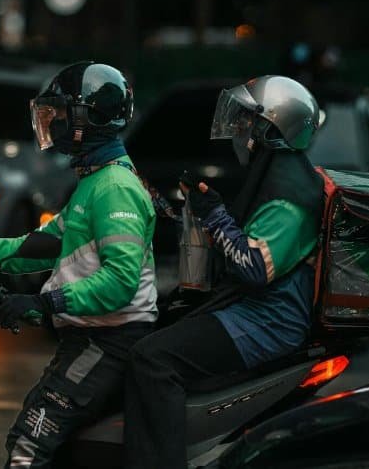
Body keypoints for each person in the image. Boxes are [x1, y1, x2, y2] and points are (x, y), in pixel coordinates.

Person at [0, 62, 157, 469]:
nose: (53, 124)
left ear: (90, 119)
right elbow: (47, 242)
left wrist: (44, 302)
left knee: (28, 446)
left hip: (108, 341)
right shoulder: (95, 181)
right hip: (90, 337)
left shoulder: (115, 189)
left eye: (63, 114)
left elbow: (120, 281)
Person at [124, 75, 325, 469]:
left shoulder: (291, 196)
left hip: (269, 320)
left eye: (247, 121)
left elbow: (252, 268)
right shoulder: (273, 176)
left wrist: (215, 215)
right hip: (253, 309)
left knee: (151, 359)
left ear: (270, 127)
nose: (238, 130)